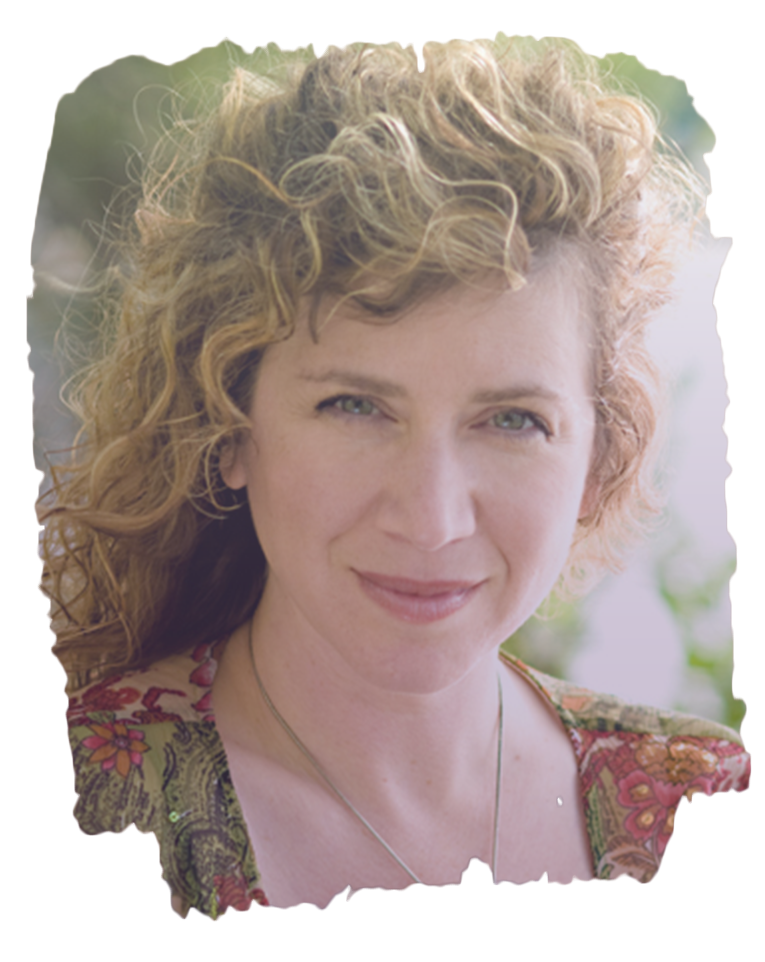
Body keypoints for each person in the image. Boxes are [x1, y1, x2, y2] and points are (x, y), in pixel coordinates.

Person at [37, 39, 749, 917]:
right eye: (355, 406)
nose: (430, 519)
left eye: (511, 420)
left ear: (598, 461)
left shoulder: (699, 792)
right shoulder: (95, 797)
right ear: (227, 424)